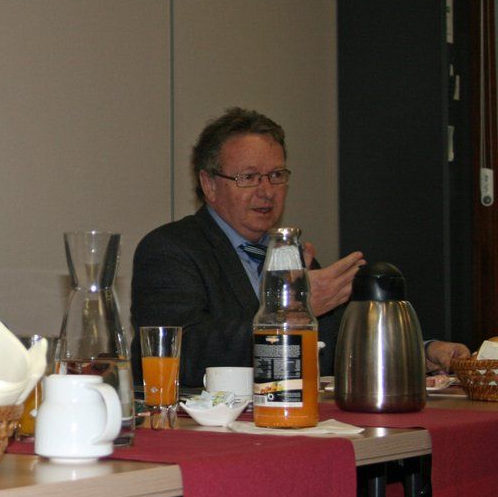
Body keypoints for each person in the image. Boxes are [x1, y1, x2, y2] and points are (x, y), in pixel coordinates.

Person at [131, 107, 469, 386]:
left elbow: (340, 346)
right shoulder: (171, 250)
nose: (267, 191)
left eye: (276, 175)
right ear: (209, 184)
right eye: (248, 177)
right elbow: (179, 354)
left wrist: (422, 352)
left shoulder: (289, 255)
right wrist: (289, 311)